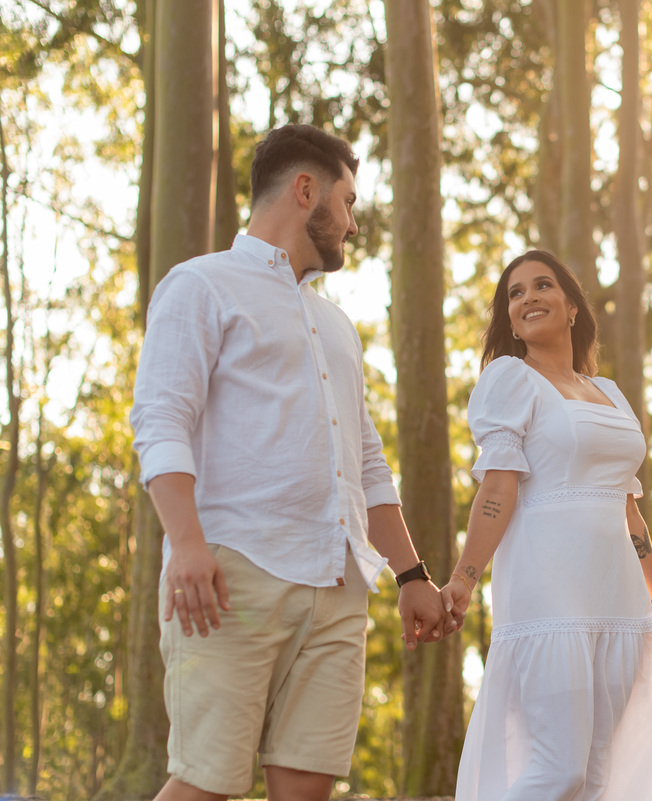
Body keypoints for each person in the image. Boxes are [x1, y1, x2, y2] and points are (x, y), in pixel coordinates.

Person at [130, 124, 452, 801]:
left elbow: (365, 462)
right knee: (205, 784)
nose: (354, 224)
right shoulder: (200, 286)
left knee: (307, 788)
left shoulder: (336, 326)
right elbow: (162, 420)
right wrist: (186, 544)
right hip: (230, 576)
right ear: (307, 191)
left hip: (338, 583)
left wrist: (411, 574)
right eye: (348, 201)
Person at [443, 250, 652, 801]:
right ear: (510, 319)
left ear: (572, 308)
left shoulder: (610, 393)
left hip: (616, 596)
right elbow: (497, 488)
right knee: (560, 768)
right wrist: (464, 579)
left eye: (542, 285)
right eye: (515, 293)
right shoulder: (510, 378)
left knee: (596, 774)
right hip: (547, 592)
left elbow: (628, 510)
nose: (528, 298)